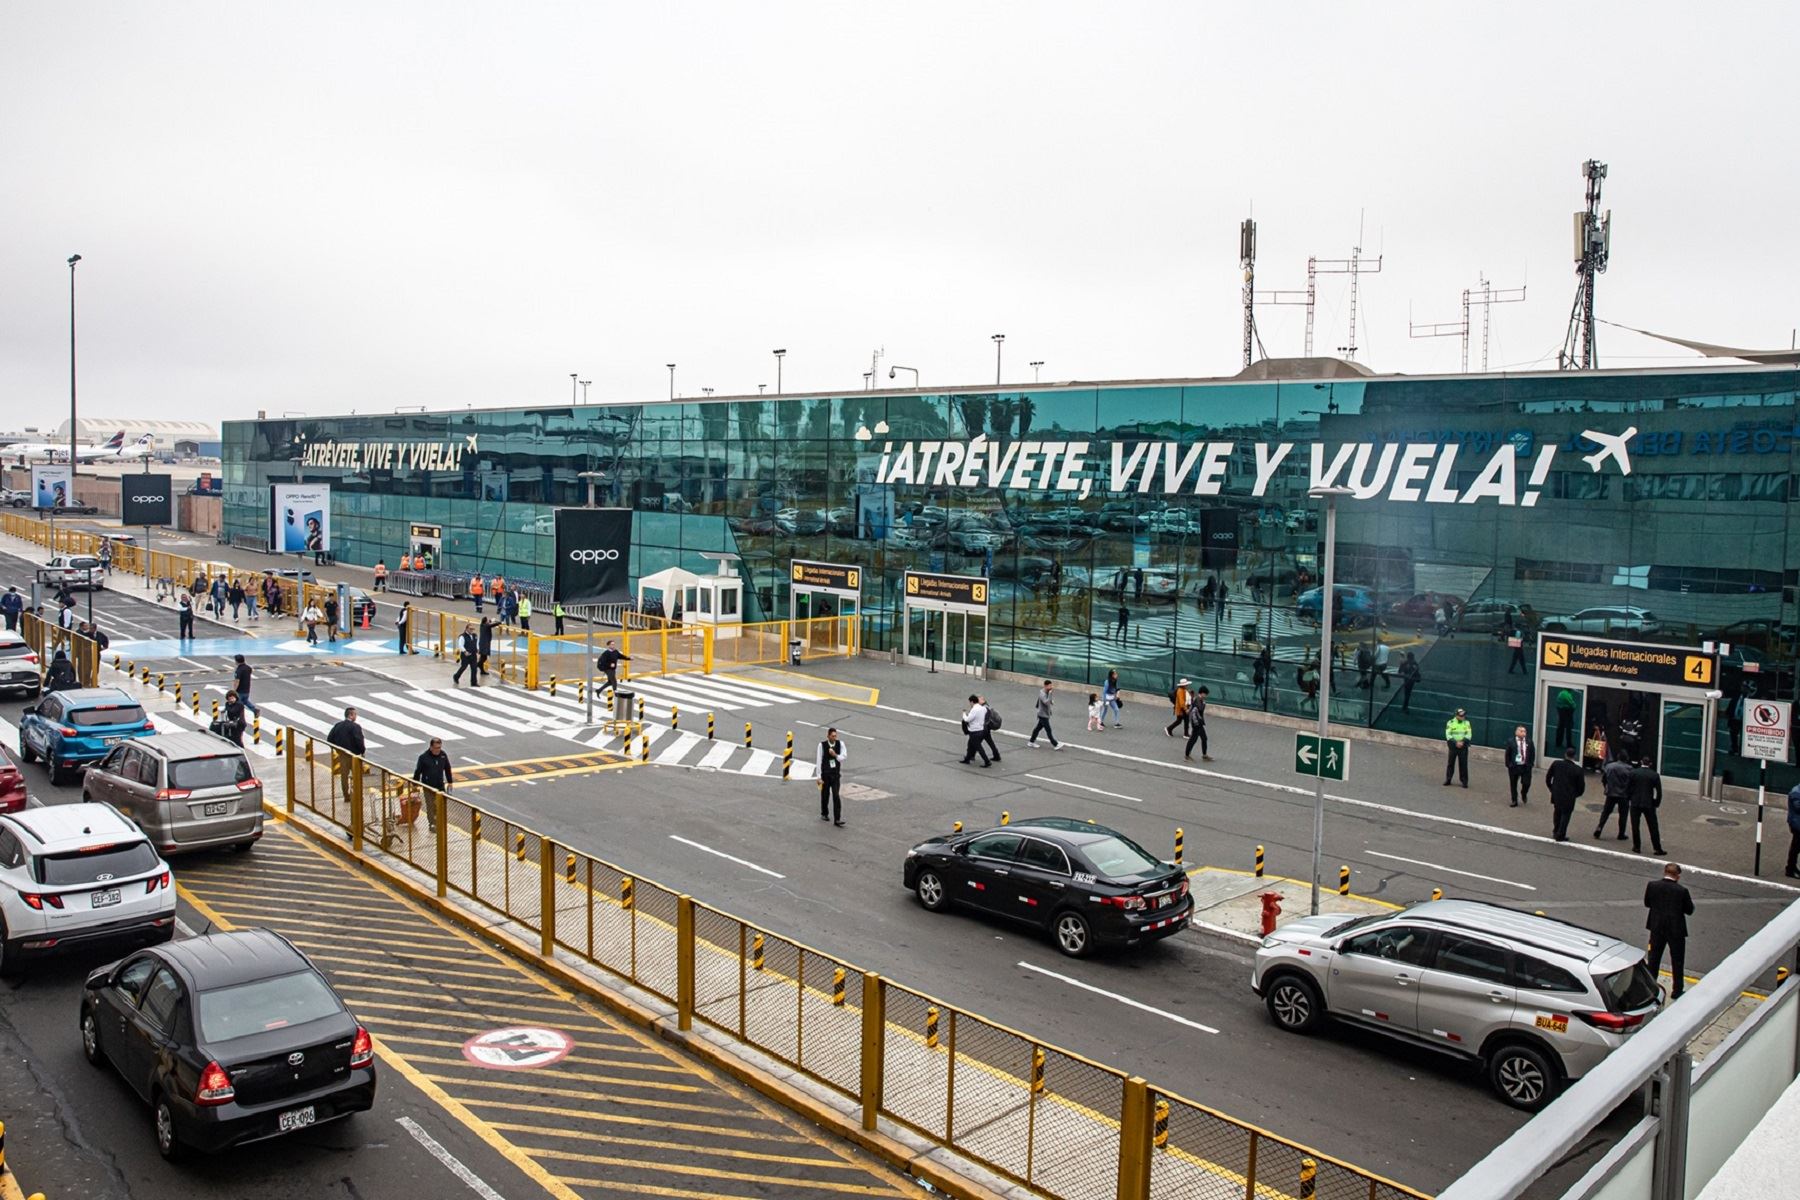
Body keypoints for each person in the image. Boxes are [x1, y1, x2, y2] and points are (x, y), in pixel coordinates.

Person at [1643, 862, 1694, 999]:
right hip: (1675, 930)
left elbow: (1647, 903)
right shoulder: (1682, 891)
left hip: (1657, 928)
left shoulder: (1652, 886)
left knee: (1654, 959)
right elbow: (1689, 910)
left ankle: (1650, 987)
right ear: (1677, 876)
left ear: (1665, 872)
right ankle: (1677, 989)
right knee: (1677, 960)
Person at [412, 737, 453, 833]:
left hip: (440, 785)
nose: (438, 750)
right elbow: (418, 772)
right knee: (430, 806)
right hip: (428, 786)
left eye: (439, 747)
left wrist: (450, 782)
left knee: (440, 805)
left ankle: (440, 821)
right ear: (431, 747)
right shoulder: (423, 758)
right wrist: (415, 785)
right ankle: (432, 823)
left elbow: (447, 768)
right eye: (436, 748)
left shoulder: (443, 755)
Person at [1546, 746, 1585, 842]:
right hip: (1569, 796)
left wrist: (1551, 788)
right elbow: (1581, 786)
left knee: (1557, 812)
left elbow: (1548, 777)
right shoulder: (1578, 770)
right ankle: (1561, 833)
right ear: (1574, 756)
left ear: (1565, 754)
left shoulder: (1556, 764)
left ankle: (1556, 830)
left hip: (1557, 793)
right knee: (1566, 815)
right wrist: (1576, 794)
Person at [1628, 757, 1666, 856]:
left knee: (1635, 825)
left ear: (1641, 762)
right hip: (1648, 803)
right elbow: (1659, 792)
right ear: (1650, 764)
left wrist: (1630, 798)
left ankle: (1637, 846)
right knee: (1653, 826)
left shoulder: (1634, 773)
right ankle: (1657, 848)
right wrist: (1656, 803)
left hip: (1635, 802)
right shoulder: (1654, 775)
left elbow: (1628, 787)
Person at [327, 707, 365, 798]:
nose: (356, 716)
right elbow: (359, 740)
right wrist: (362, 751)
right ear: (351, 715)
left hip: (342, 755)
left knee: (344, 776)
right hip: (354, 756)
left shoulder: (338, 725)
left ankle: (346, 795)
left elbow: (329, 739)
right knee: (357, 776)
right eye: (355, 714)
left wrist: (338, 749)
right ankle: (358, 794)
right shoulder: (355, 727)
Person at [816, 727, 847, 826]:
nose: (834, 738)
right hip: (826, 774)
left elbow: (843, 757)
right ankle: (824, 813)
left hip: (835, 775)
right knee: (825, 795)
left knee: (836, 796)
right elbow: (819, 760)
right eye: (832, 736)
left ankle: (837, 819)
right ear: (828, 736)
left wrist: (835, 755)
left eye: (835, 736)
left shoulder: (840, 744)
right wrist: (819, 776)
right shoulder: (822, 745)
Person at [1596, 754, 1632, 840]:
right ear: (1626, 759)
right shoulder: (1629, 769)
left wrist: (1606, 787)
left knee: (1605, 812)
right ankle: (1621, 833)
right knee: (1623, 814)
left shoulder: (1609, 766)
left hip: (1611, 793)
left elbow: (1604, 779)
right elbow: (1631, 783)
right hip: (1623, 795)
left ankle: (1599, 827)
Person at [1504, 724, 1536, 807]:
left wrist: (1531, 764)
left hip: (1525, 766)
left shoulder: (1529, 742)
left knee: (1527, 783)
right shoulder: (1511, 741)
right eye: (1521, 731)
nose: (1523, 733)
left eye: (1524, 731)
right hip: (1514, 766)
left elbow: (1532, 753)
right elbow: (1507, 754)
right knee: (1513, 783)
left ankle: (1524, 793)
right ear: (1516, 732)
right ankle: (1514, 800)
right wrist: (1509, 764)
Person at [1442, 707, 1472, 788]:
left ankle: (1464, 781)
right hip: (1453, 746)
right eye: (1461, 715)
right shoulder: (1450, 723)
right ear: (1456, 715)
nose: (1463, 717)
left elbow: (1469, 734)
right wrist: (1456, 742)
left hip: (1463, 746)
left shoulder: (1467, 723)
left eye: (1464, 715)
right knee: (1450, 763)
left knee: (1463, 764)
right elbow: (1448, 735)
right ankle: (1448, 779)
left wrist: (1462, 742)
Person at [960, 695, 992, 767]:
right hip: (981, 729)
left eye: (970, 702)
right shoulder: (983, 709)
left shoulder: (974, 709)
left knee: (978, 747)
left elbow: (967, 719)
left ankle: (987, 761)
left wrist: (964, 714)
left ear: (972, 702)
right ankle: (967, 759)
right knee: (970, 745)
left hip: (974, 731)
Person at [1029, 680, 1061, 749]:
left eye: (1051, 685)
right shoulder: (1042, 693)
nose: (1051, 687)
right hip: (1042, 715)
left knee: (1037, 729)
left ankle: (1031, 741)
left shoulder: (1048, 692)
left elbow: (1049, 700)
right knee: (1048, 730)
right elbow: (1046, 702)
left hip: (1045, 714)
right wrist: (1050, 694)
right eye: (1050, 686)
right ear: (1045, 686)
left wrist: (1051, 700)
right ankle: (1055, 744)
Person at [1183, 685, 1212, 762]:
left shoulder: (1199, 699)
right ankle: (1187, 755)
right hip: (1196, 723)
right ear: (1202, 693)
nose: (1206, 696)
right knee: (1193, 739)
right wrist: (1204, 704)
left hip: (1198, 722)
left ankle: (1204, 755)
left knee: (1203, 738)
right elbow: (1199, 709)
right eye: (1205, 694)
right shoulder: (1198, 700)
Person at [1785, 781, 1800, 880]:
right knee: (1795, 848)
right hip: (1797, 824)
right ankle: (1790, 869)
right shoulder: (1796, 793)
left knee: (1796, 847)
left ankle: (1792, 867)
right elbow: (1798, 807)